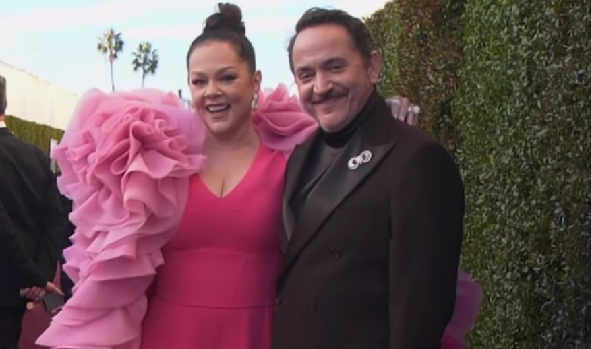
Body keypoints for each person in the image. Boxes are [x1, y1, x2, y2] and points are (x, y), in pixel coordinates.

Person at [37, 4, 479, 349]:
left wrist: (393, 116)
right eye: (199, 81)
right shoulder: (156, 165)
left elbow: (355, 144)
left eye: (227, 77)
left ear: (256, 81)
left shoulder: (296, 157)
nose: (213, 91)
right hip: (167, 334)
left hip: (264, 334)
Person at [270, 7, 482, 349]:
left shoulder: (417, 159)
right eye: (306, 75)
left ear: (373, 66)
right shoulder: (300, 156)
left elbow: (420, 310)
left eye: (335, 67)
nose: (320, 87)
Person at [0, 74, 66, 349]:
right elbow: (56, 221)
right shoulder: (37, 158)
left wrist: (34, 276)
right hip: (15, 294)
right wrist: (38, 277)